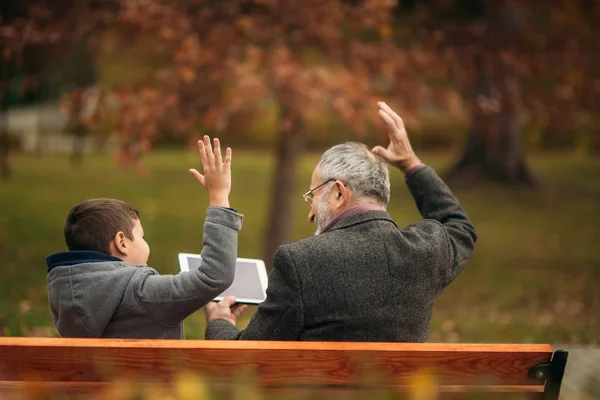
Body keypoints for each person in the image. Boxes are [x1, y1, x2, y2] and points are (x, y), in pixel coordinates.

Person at [204, 102, 477, 342]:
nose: (310, 213)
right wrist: (412, 164)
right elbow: (460, 227)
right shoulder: (428, 250)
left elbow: (248, 358)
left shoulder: (301, 262)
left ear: (338, 192)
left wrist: (220, 322)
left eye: (312, 195)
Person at [46, 136, 242, 339]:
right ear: (121, 242)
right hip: (145, 372)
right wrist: (219, 195)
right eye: (141, 236)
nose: (145, 244)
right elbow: (215, 275)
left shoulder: (63, 293)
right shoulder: (142, 293)